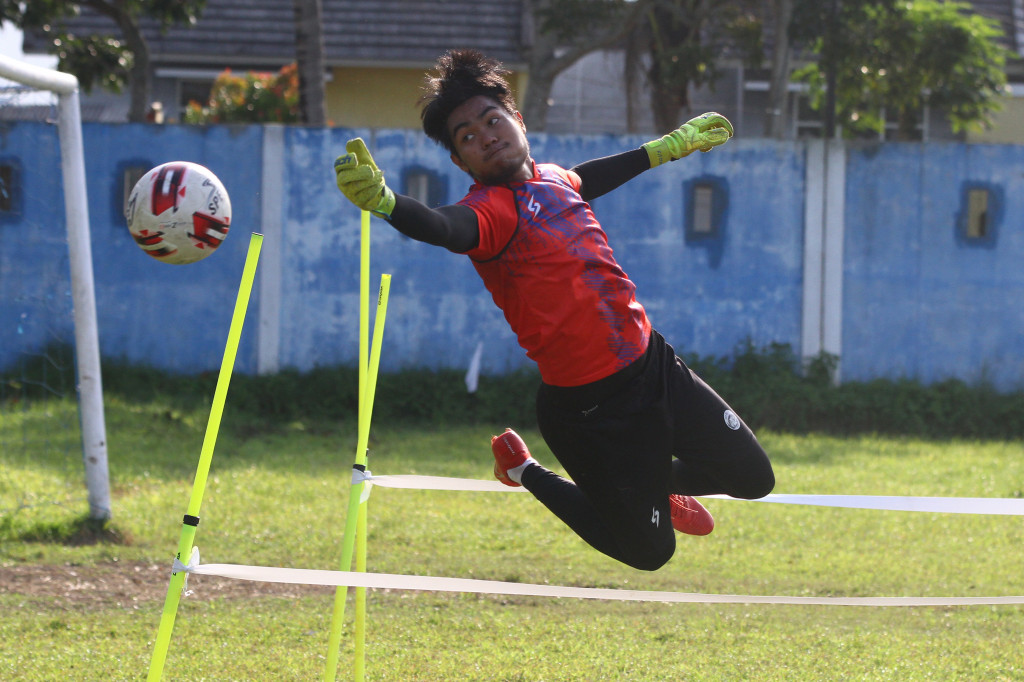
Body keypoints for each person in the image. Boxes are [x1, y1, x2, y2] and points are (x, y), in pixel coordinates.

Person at [334, 49, 774, 571]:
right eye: (468, 136)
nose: (486, 135)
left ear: (518, 122)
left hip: (654, 368)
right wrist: (388, 203)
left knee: (752, 479)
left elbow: (588, 178)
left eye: (492, 120)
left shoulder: (554, 179)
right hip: (589, 410)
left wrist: (665, 149)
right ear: (460, 161)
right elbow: (442, 227)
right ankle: (523, 471)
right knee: (651, 552)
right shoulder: (488, 212)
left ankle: (650, 489)